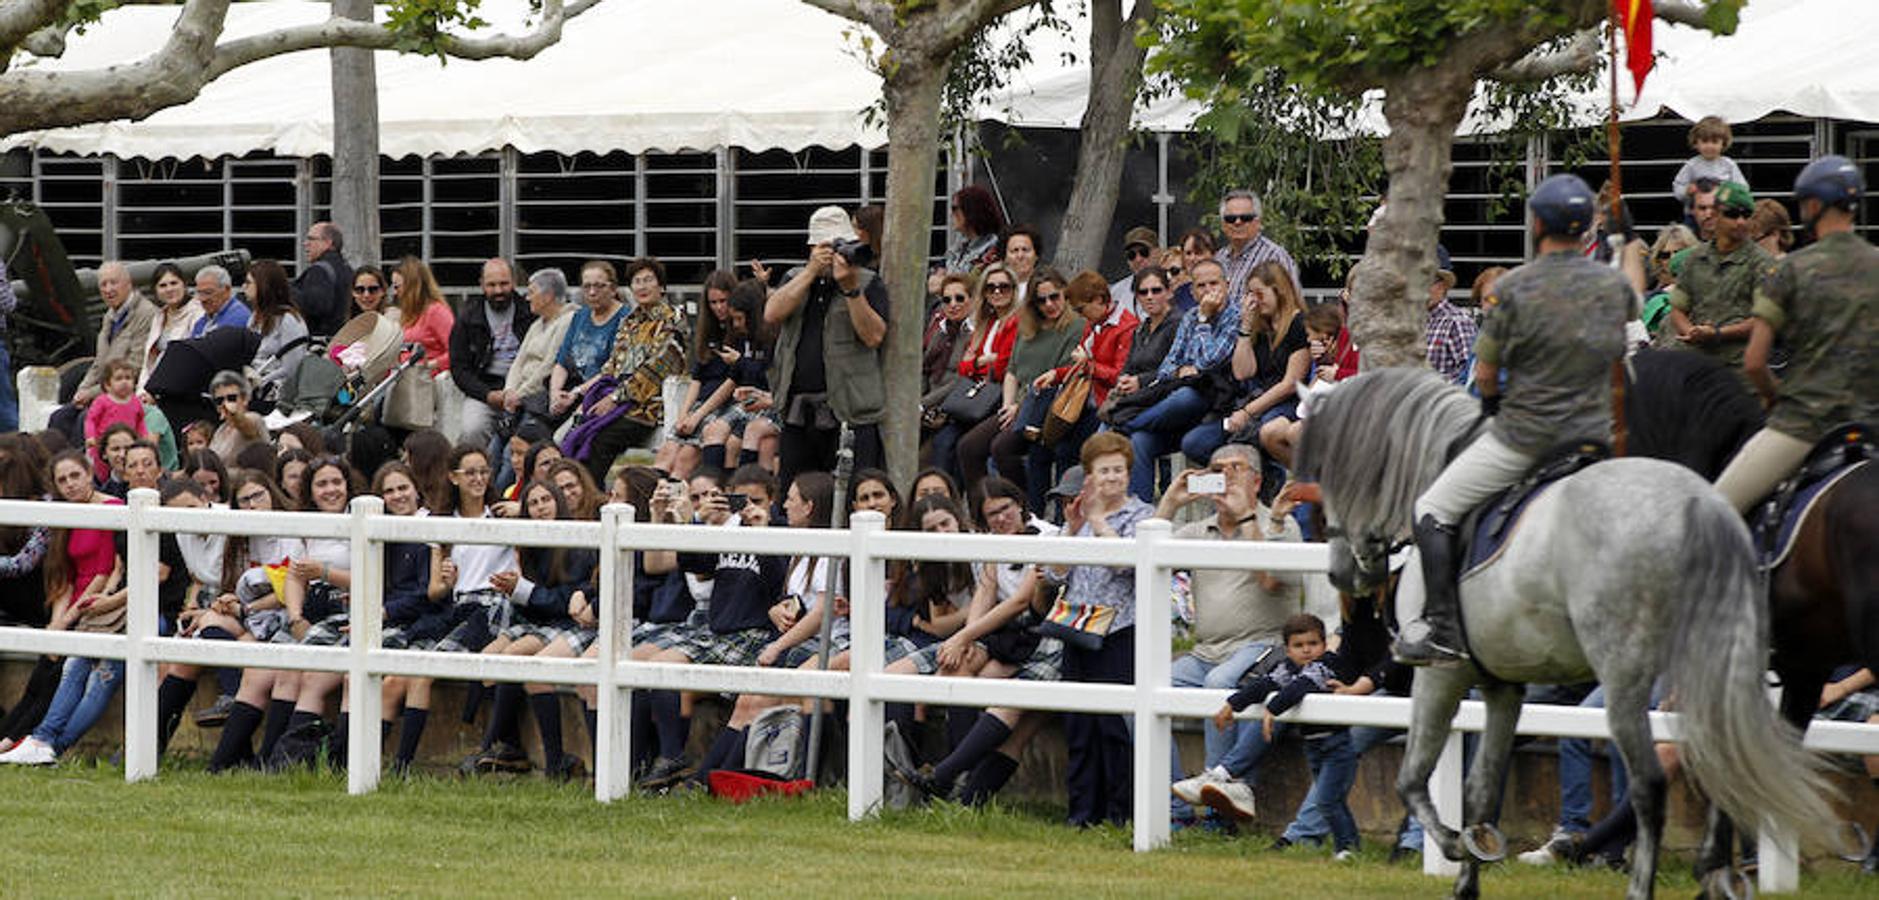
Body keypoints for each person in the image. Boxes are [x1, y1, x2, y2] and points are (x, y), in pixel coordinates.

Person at [1395, 174, 1632, 666]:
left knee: (1432, 509)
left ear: (1537, 224)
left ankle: (1443, 629)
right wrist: (1623, 243)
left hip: (1529, 438)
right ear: (1585, 226)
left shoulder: (1515, 288)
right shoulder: (1613, 285)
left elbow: (1484, 375)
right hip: (1598, 438)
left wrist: (1492, 402)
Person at [1714, 156, 1878, 514]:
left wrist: (1775, 398)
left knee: (1715, 513)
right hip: (1872, 424)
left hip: (1804, 426)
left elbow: (1755, 363)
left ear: (1815, 205)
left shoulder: (1791, 269)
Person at [1164, 444, 1303, 822]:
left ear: (1256, 481)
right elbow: (1141, 563)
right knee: (1138, 692)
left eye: (1236, 469)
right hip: (1205, 652)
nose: (1225, 476)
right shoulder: (1197, 531)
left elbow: (1272, 580)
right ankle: (1177, 808)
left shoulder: (1279, 523)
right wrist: (1170, 505)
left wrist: (1245, 519)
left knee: (1219, 682)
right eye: (1217, 468)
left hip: (1262, 648)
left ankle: (1217, 815)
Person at [1039, 431, 1154, 827]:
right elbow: (1053, 577)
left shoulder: (1142, 516)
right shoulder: (1080, 517)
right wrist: (1072, 529)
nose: (1111, 478)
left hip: (1119, 629)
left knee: (1113, 726)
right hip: (1077, 627)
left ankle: (1121, 814)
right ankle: (1082, 813)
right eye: (1103, 471)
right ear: (1089, 475)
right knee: (1079, 725)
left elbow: (1124, 565)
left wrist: (1100, 521)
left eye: (1118, 470)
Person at [763, 206, 889, 488]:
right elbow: (771, 314)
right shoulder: (795, 278)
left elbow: (874, 337)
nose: (834, 253)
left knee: (852, 497)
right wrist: (810, 272)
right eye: (825, 246)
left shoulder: (869, 282)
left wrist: (850, 288)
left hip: (850, 411)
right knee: (797, 497)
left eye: (839, 245)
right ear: (811, 247)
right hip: (798, 412)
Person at [1212, 613, 1355, 858]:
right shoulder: (1289, 668)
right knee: (1330, 800)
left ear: (1324, 644)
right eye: (1299, 646)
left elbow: (1302, 687)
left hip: (1336, 743)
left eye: (1313, 644)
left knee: (1328, 800)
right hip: (1313, 745)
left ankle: (1346, 849)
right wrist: (1233, 704)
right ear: (1287, 650)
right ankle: (1350, 846)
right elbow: (1266, 684)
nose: (1307, 650)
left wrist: (1272, 710)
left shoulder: (1325, 665)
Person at [1111, 260, 1238, 502]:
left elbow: (1210, 361)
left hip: (1217, 406)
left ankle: (1123, 426)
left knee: (1185, 397)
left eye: (1214, 283)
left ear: (1227, 285)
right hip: (1178, 411)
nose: (1209, 290)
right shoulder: (1187, 317)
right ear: (1192, 292)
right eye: (1201, 286)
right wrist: (1182, 369)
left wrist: (1204, 320)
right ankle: (1142, 516)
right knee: (1140, 441)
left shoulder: (1233, 317)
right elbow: (1167, 367)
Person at [560, 257, 687, 482]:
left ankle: (590, 501)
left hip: (649, 407)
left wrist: (615, 398)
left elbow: (656, 370)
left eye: (648, 280)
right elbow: (612, 365)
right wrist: (587, 396)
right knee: (575, 433)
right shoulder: (630, 321)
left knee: (599, 439)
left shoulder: (673, 319)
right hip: (617, 400)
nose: (642, 286)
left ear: (662, 286)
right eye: (637, 281)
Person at [1026, 271, 1137, 511]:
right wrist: (1056, 374)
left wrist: (1089, 366)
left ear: (1099, 300)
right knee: (1047, 448)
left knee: (1070, 451)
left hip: (1105, 406)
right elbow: (1079, 365)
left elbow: (1119, 375)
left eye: (1081, 308)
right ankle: (1049, 515)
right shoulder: (1093, 324)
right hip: (1085, 401)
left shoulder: (1125, 327)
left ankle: (1071, 515)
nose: (1079, 315)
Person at [972, 268, 1080, 493]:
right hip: (1018, 405)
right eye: (1041, 300)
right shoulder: (1027, 326)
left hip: (1048, 407)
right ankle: (981, 511)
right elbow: (1012, 371)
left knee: (1003, 448)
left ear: (1064, 294)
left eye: (1054, 297)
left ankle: (1022, 508)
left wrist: (1018, 408)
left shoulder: (1075, 326)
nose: (1049, 304)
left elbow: (1062, 377)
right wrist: (1007, 407)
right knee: (969, 447)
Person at [661, 274, 774, 477]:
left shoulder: (752, 335)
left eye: (723, 301)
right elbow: (697, 376)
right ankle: (655, 496)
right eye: (713, 302)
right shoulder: (708, 330)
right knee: (667, 454)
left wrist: (696, 416)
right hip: (709, 402)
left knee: (688, 455)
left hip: (730, 403)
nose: (719, 308)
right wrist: (684, 414)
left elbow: (736, 379)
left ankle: (716, 492)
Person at [1664, 181, 1771, 374]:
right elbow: (1678, 308)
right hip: (1698, 365)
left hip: (1740, 368)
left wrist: (1718, 334)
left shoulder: (1761, 263)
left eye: (1746, 215)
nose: (1740, 222)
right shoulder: (1695, 258)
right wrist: (1691, 332)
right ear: (1716, 215)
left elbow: (1763, 320)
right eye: (1732, 214)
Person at [925, 263, 1019, 483]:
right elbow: (964, 367)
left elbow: (1004, 365)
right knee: (944, 444)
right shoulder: (985, 323)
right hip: (971, 400)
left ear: (1014, 290)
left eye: (1003, 287)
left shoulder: (1015, 323)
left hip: (998, 399)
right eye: (991, 288)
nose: (996, 292)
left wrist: (977, 363)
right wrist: (981, 362)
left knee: (967, 447)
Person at [51, 262, 157, 442]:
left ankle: (85, 466)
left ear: (128, 284)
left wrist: (91, 394)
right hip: (103, 391)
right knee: (60, 417)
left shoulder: (146, 314)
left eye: (113, 283)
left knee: (85, 420)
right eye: (103, 285)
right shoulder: (110, 316)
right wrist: (82, 390)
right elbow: (99, 363)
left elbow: (135, 367)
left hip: (127, 392)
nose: (108, 289)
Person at [450, 258, 536, 450]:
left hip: (526, 388)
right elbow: (459, 369)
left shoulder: (530, 312)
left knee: (529, 435)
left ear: (514, 282)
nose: (498, 290)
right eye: (491, 284)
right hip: (484, 390)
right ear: (481, 285)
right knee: (472, 430)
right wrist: (487, 395)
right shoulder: (467, 318)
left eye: (504, 284)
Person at [548, 260, 629, 424]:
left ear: (613, 289)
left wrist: (576, 393)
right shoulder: (580, 316)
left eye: (599, 286)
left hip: (602, 394)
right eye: (587, 286)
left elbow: (613, 369)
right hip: (573, 389)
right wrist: (555, 393)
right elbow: (562, 360)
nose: (592, 292)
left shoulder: (626, 319)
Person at [395, 257, 461, 438]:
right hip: (406, 384)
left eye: (398, 287)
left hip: (426, 385)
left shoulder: (436, 312)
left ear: (411, 286)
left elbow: (457, 352)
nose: (395, 293)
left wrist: (430, 364)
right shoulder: (408, 315)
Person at [1215, 189, 1300, 306]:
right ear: (1223, 225)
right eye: (1230, 218)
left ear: (1258, 222)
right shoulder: (1219, 258)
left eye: (1246, 218)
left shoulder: (1275, 256)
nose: (1238, 222)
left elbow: (1291, 303)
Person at [921, 273, 975, 444]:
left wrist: (923, 403)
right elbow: (924, 369)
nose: (953, 305)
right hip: (927, 407)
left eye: (959, 298)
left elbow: (962, 379)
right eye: (947, 300)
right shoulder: (940, 330)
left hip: (952, 409)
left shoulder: (974, 334)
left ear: (972, 300)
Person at [245, 260, 310, 401]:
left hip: (276, 392)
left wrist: (259, 381)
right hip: (252, 386)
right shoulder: (254, 317)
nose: (244, 287)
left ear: (263, 285)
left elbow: (292, 368)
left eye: (249, 283)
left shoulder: (288, 320)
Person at [136, 262, 203, 395]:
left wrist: (156, 395)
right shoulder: (158, 317)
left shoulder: (197, 313)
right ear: (155, 291)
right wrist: (141, 392)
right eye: (163, 285)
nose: (169, 289)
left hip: (177, 392)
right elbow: (148, 363)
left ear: (184, 284)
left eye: (174, 283)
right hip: (151, 391)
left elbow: (188, 362)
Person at [84, 358, 147, 482]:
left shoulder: (135, 402)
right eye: (119, 379)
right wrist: (90, 437)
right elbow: (90, 420)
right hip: (103, 446)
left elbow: (140, 422)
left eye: (128, 378)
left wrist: (144, 437)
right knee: (102, 473)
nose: (124, 382)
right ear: (107, 385)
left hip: (127, 444)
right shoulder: (102, 401)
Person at [1671, 116, 1748, 216]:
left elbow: (1743, 188)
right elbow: (1678, 186)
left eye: (1715, 142)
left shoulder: (1729, 165)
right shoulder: (1691, 166)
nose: (1709, 146)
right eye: (1705, 141)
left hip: (1722, 214)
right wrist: (1687, 191)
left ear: (1723, 143)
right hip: (1695, 215)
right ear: (1696, 143)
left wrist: (1728, 192)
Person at [1422, 246, 1475, 385]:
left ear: (1443, 285)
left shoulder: (1458, 321)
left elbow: (1469, 373)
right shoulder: (1406, 320)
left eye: (1428, 281)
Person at [292, 221, 352, 338]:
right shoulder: (347, 269)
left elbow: (315, 306)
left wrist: (290, 291)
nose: (305, 244)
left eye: (311, 239)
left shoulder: (319, 271)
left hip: (322, 342)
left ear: (328, 243)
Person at [206, 371, 266, 462]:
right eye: (219, 400)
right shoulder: (221, 430)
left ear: (245, 399)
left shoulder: (254, 419)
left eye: (231, 398)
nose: (225, 403)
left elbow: (246, 426)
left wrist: (233, 414)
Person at [943, 185, 1005, 274]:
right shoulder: (958, 248)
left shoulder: (993, 249)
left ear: (971, 209)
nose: (951, 214)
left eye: (955, 208)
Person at [188, 265, 252, 338]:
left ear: (227, 290)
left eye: (208, 292)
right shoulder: (203, 320)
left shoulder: (238, 317)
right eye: (199, 293)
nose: (202, 299)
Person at [1108, 225, 1159, 316]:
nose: (1138, 259)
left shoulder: (1172, 284)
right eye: (1131, 255)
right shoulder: (1116, 292)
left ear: (1157, 252)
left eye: (1144, 252)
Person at [1173, 228, 1216, 313]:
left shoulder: (1219, 289)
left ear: (1213, 254)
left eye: (1198, 253)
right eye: (1188, 253)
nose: (1192, 258)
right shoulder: (1180, 292)